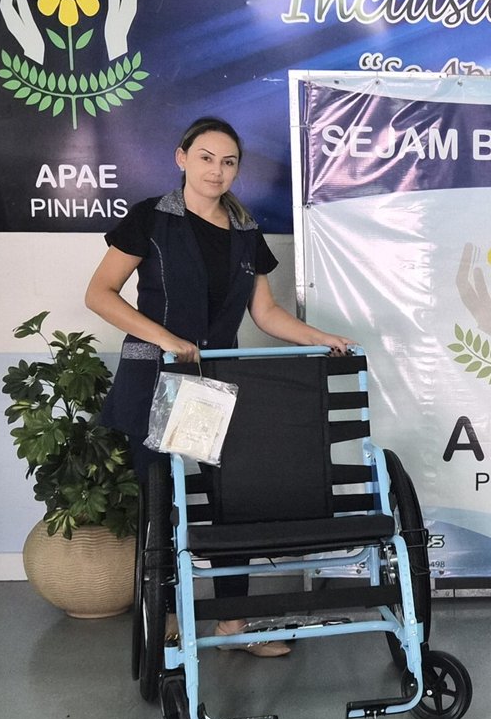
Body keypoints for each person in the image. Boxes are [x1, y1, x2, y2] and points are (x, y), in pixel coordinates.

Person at [87, 115, 355, 657]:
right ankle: (163, 621)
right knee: (161, 505)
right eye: (206, 158)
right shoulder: (150, 218)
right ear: (182, 158)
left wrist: (320, 337)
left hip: (215, 382)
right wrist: (167, 338)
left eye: (228, 162)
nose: (217, 170)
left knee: (232, 502)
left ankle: (232, 624)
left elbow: (266, 312)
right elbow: (100, 293)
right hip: (154, 379)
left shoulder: (245, 231)